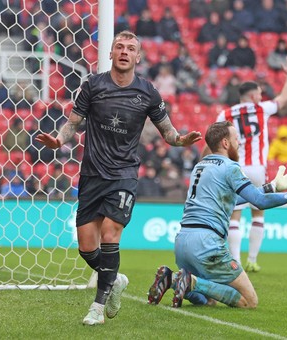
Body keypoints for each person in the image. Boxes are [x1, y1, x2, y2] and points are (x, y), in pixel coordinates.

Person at [35, 30, 201, 326]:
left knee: (111, 234)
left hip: (123, 175)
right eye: (119, 47)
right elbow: (72, 124)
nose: (124, 51)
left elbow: (168, 132)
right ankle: (114, 278)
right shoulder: (93, 86)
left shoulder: (148, 92)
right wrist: (59, 141)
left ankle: (97, 307)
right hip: (91, 175)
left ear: (138, 57)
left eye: (131, 48)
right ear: (110, 53)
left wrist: (182, 140)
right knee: (87, 247)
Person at [147, 121, 287, 308]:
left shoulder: (200, 166)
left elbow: (232, 200)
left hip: (182, 243)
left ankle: (171, 278)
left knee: (209, 299)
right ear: (225, 143)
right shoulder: (230, 167)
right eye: (236, 139)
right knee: (249, 301)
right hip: (207, 244)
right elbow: (259, 201)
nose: (239, 143)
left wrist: (273, 186)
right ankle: (191, 281)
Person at [206, 56, 287, 272]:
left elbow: (212, 139)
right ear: (254, 95)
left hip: (234, 168)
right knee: (258, 212)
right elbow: (285, 98)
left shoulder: (225, 113)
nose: (261, 95)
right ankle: (253, 260)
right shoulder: (261, 108)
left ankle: (235, 260)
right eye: (259, 93)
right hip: (257, 168)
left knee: (234, 215)